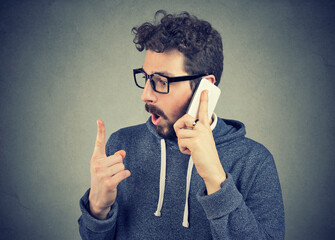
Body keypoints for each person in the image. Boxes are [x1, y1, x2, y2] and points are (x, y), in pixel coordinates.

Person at [78, 10, 285, 239]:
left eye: (161, 81)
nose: (146, 95)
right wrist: (97, 208)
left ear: (205, 87)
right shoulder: (121, 145)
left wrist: (215, 178)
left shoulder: (254, 161)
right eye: (146, 78)